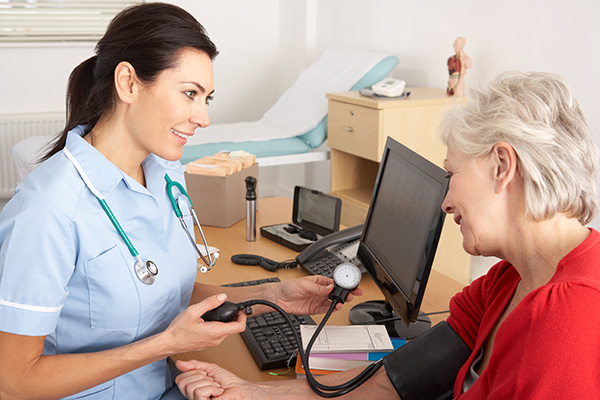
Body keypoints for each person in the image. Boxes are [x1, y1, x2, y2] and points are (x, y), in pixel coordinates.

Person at [0, 3, 360, 399]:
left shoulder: (163, 174)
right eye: (190, 94)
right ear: (128, 83)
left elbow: (161, 290)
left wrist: (270, 296)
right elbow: (15, 380)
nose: (203, 118)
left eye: (206, 99)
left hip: (171, 385)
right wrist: (166, 344)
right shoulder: (47, 209)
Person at [175, 71, 600, 399]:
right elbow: (393, 382)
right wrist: (256, 392)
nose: (445, 200)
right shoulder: (509, 280)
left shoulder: (571, 316)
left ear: (502, 166)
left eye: (451, 174)